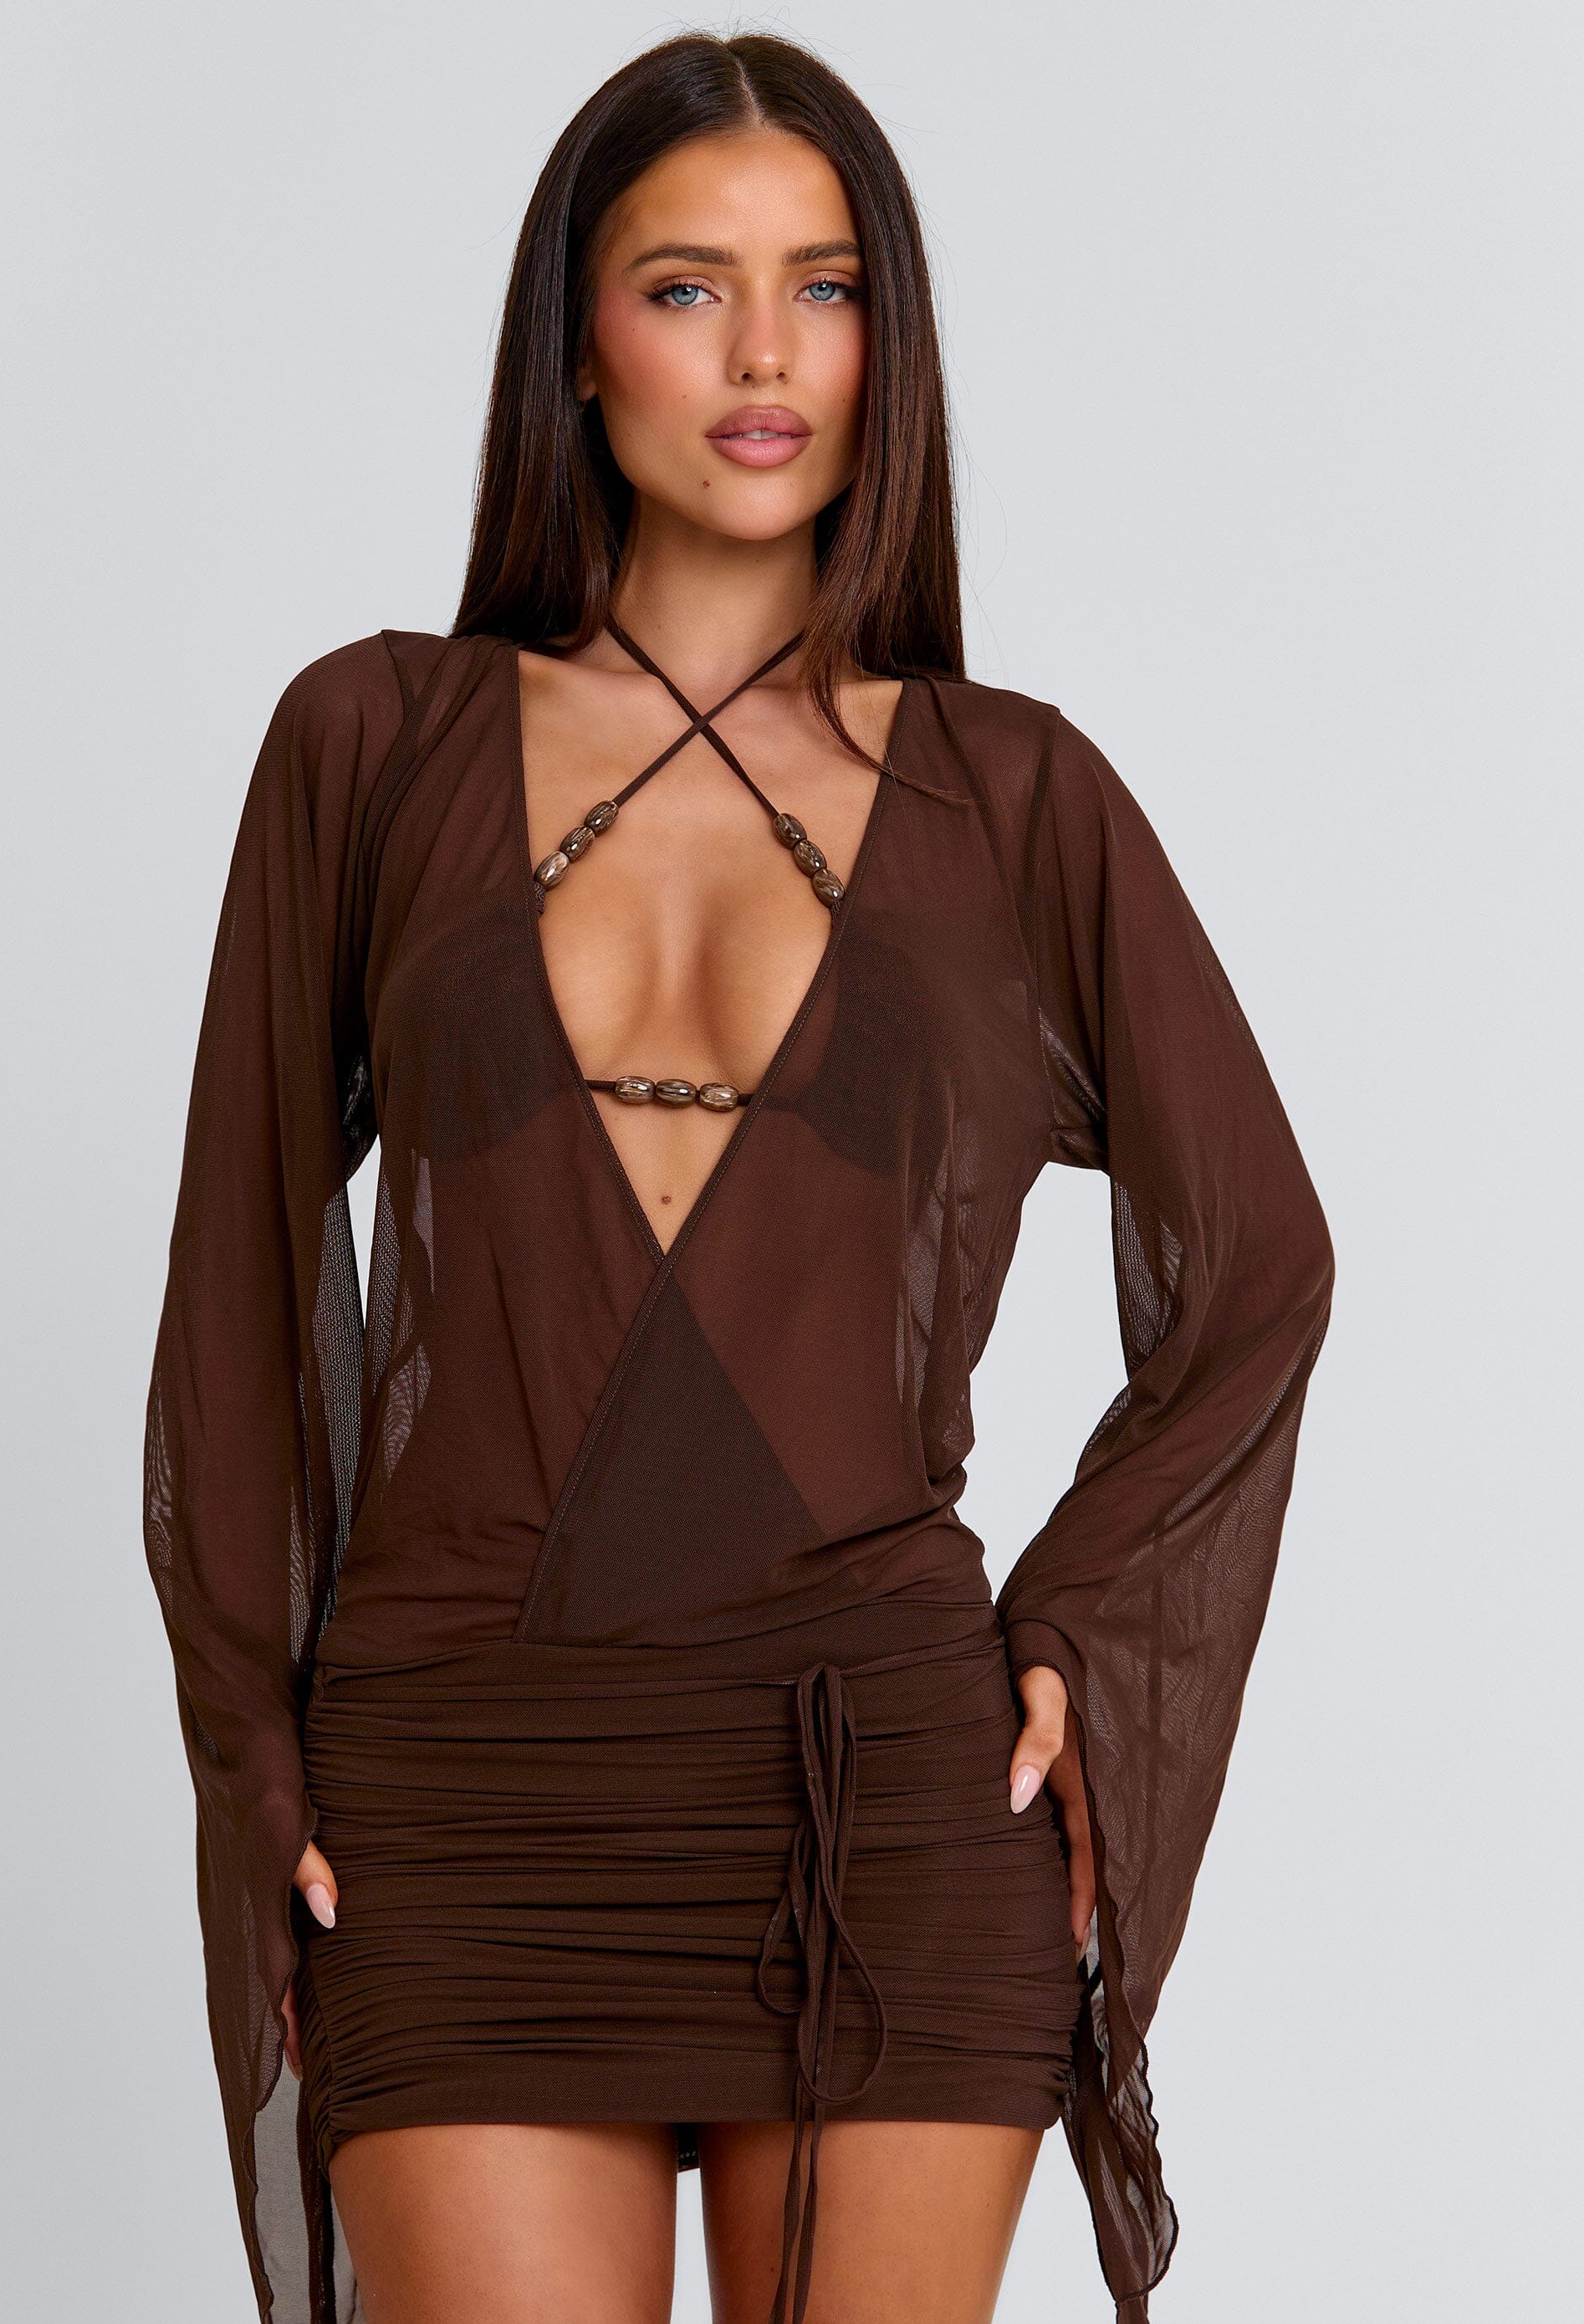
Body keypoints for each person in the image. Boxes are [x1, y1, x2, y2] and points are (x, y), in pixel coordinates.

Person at [142, 30, 1334, 2324]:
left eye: (827, 285)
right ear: (575, 348)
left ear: (890, 342)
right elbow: (238, 1289)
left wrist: (1079, 1625)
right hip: (466, 1787)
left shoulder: (1017, 797)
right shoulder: (369, 743)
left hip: (876, 1778)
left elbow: (1259, 1267)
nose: (766, 352)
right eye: (686, 287)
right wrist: (249, 1749)